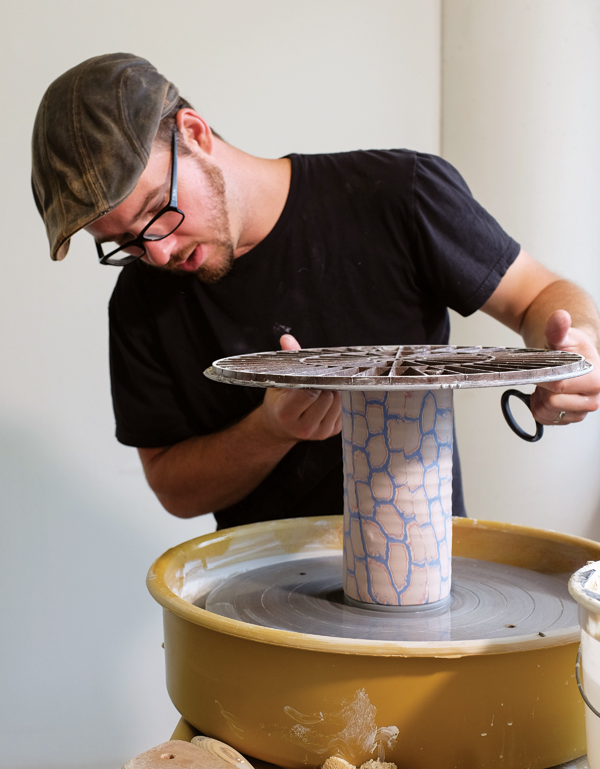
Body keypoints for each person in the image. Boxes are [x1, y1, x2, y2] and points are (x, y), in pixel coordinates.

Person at [31, 54, 600, 530]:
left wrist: (573, 350)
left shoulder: (398, 195)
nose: (156, 254)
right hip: (259, 611)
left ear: (195, 135)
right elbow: (174, 489)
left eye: (159, 210)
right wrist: (271, 430)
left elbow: (539, 295)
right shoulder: (138, 303)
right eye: (125, 242)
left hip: (424, 585)